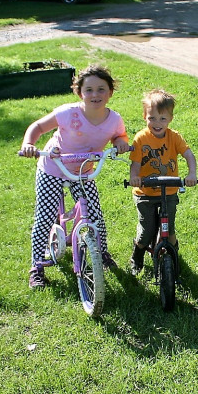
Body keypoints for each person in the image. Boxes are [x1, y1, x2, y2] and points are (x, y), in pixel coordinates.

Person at [19, 64, 130, 288]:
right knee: (45, 217)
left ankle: (102, 254)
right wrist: (29, 144)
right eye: (88, 90)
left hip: (83, 171)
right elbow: (39, 126)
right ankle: (37, 267)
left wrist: (119, 144)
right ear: (79, 93)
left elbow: (120, 136)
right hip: (53, 166)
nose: (95, 95)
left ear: (110, 92)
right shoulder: (69, 113)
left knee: (95, 215)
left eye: (101, 89)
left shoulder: (113, 119)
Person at [127, 89, 198, 276]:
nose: (157, 124)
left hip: (169, 191)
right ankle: (138, 255)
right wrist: (135, 177)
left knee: (169, 228)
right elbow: (135, 163)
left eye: (162, 119)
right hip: (145, 194)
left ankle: (173, 255)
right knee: (147, 230)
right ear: (144, 116)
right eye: (152, 118)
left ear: (170, 119)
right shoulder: (141, 138)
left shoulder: (174, 137)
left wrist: (192, 173)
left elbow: (189, 155)